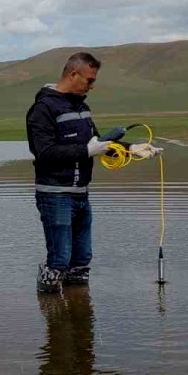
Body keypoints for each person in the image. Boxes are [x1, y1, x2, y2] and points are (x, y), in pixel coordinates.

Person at [25, 52, 161, 295]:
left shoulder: (83, 108)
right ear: (72, 74)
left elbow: (99, 144)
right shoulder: (42, 110)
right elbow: (44, 152)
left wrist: (132, 149)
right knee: (60, 258)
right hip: (55, 194)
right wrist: (86, 150)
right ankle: (52, 317)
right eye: (89, 80)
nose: (92, 86)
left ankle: (80, 317)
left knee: (82, 258)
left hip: (81, 194)